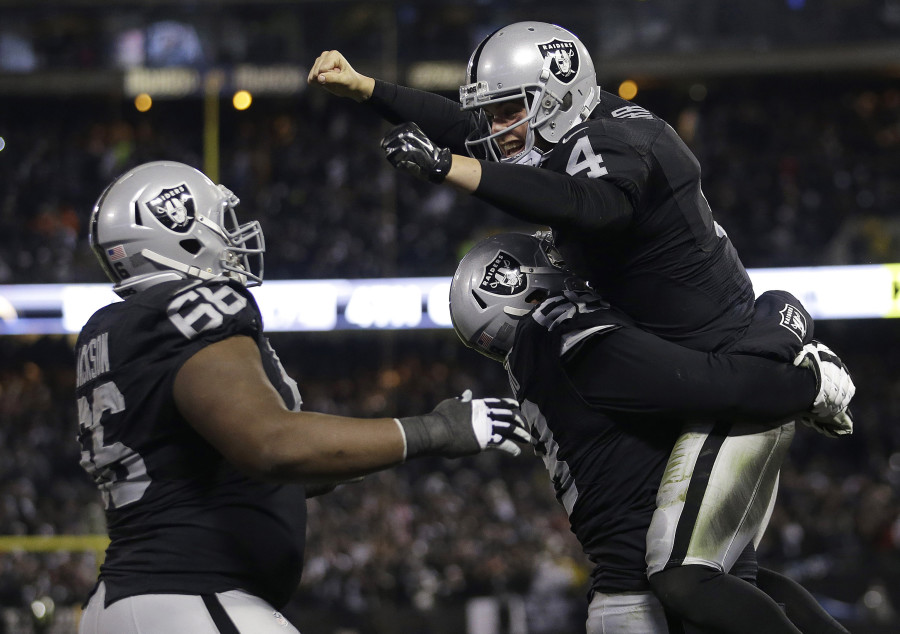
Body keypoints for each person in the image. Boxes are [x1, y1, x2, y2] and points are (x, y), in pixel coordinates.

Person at [307, 22, 854, 632]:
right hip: (733, 370)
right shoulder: (580, 342)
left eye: (506, 110)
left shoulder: (609, 158)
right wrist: (798, 356)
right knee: (701, 575)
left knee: (708, 575)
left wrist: (379, 100)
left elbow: (580, 202)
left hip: (724, 361)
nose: (492, 130)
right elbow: (707, 381)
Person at [75, 161, 530, 634]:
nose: (232, 236)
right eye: (219, 221)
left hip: (139, 600)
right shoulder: (190, 306)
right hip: (189, 599)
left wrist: (375, 450)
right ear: (180, 230)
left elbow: (252, 471)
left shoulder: (114, 329)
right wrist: (436, 430)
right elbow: (271, 444)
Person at [448, 231, 855, 633]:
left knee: (756, 584)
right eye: (547, 257)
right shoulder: (564, 338)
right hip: (650, 605)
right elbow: (720, 386)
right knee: (707, 581)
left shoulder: (542, 357)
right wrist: (795, 349)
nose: (562, 261)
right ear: (521, 288)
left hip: (641, 596)